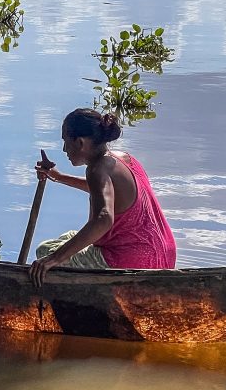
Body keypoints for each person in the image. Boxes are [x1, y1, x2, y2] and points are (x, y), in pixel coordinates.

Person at [29, 108, 176, 286]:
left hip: (133, 259)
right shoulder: (125, 159)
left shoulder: (96, 169)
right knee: (67, 238)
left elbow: (104, 218)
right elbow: (105, 190)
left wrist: (54, 259)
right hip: (164, 252)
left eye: (66, 142)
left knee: (45, 251)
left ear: (80, 142)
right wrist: (59, 177)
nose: (64, 149)